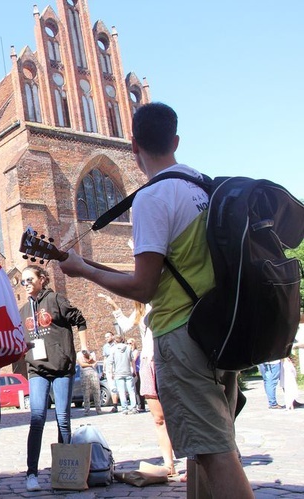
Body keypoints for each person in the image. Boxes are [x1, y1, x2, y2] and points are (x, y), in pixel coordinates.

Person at [58, 102, 254, 498]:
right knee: (205, 449)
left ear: (134, 146)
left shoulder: (154, 197)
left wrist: (84, 270)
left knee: (215, 453)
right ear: (175, 140)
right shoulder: (205, 186)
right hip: (222, 329)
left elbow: (144, 288)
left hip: (183, 334)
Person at [18, 264, 88, 491]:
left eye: (30, 280)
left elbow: (80, 319)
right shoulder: (23, 310)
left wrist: (84, 349)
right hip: (37, 369)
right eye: (23, 281)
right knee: (37, 418)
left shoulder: (57, 300)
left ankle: (65, 472)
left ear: (43, 280)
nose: (26, 284)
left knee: (63, 418)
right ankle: (31, 474)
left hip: (60, 367)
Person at [100, 294, 178, 475]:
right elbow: (126, 326)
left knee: (179, 414)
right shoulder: (141, 306)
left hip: (169, 358)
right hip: (148, 360)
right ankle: (169, 464)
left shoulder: (167, 296)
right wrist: (113, 305)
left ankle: (194, 462)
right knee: (158, 418)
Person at [110, 333, 138, 414]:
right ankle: (133, 407)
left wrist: (111, 372)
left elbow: (111, 362)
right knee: (131, 391)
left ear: (115, 340)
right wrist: (134, 371)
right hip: (128, 371)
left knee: (121, 391)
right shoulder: (128, 348)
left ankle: (124, 408)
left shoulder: (113, 349)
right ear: (122, 340)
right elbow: (132, 360)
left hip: (118, 372)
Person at [76, 350, 101, 415]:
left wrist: (90, 359)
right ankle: (86, 410)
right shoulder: (79, 354)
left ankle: (98, 409)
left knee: (96, 391)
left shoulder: (92, 353)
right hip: (84, 374)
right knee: (86, 393)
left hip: (93, 372)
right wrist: (90, 364)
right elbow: (82, 364)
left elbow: (95, 363)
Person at [101, 331, 119, 410]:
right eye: (105, 337)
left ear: (112, 336)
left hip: (117, 368)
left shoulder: (117, 345)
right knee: (112, 388)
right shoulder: (105, 347)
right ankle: (115, 406)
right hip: (109, 369)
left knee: (121, 387)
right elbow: (105, 358)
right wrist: (103, 370)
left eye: (108, 337)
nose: (106, 338)